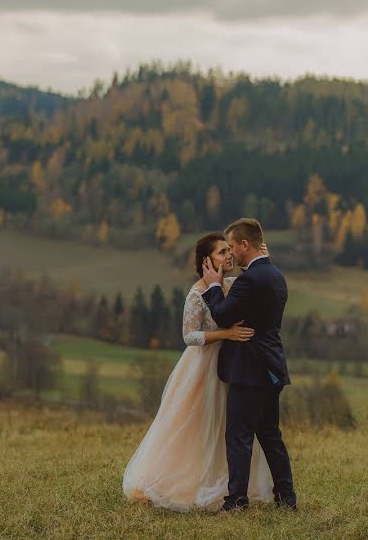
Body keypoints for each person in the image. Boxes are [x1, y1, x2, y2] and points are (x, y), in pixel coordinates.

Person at [122, 232, 274, 511]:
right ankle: (190, 481)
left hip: (231, 366)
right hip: (203, 367)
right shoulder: (196, 294)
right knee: (199, 427)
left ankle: (231, 483)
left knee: (226, 428)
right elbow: (189, 336)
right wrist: (226, 334)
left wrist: (263, 258)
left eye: (230, 250)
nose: (229, 255)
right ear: (207, 261)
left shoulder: (230, 284)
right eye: (221, 252)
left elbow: (256, 282)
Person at [201, 217, 297, 512]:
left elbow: (222, 315)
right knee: (270, 434)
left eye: (232, 246)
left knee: (239, 435)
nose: (230, 253)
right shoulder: (275, 275)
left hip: (250, 370)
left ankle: (236, 501)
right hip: (272, 366)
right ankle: (286, 498)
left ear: (245, 245)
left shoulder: (250, 280)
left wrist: (213, 286)